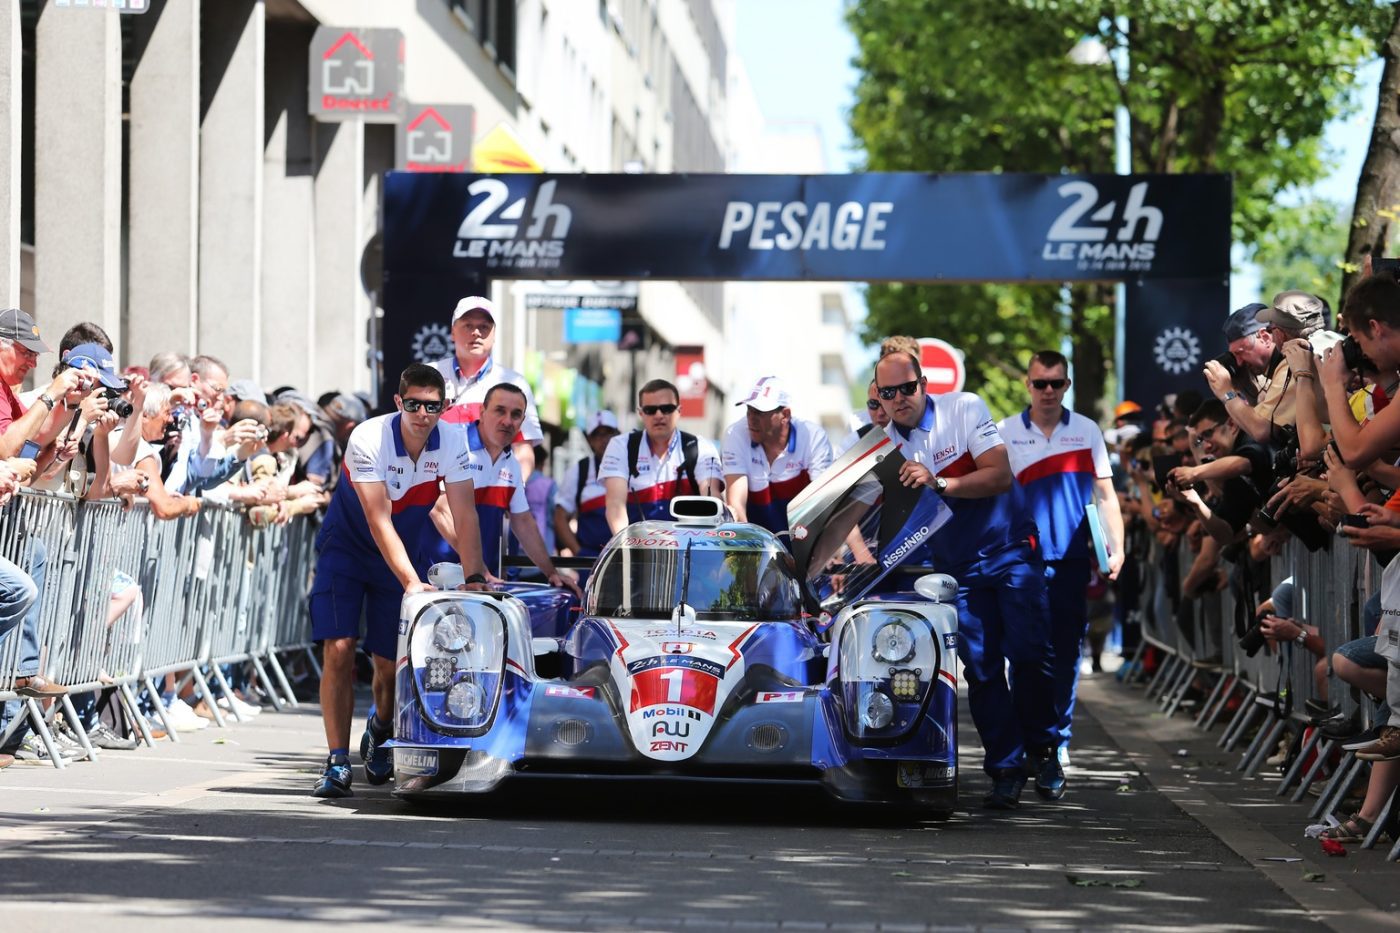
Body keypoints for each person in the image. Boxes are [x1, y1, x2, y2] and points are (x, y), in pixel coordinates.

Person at [873, 347, 1061, 808]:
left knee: (1031, 653)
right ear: (878, 395)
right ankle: (1006, 769)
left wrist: (939, 482)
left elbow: (998, 476)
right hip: (958, 569)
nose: (899, 399)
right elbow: (855, 512)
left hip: (1011, 548)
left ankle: (1044, 746)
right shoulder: (880, 446)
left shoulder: (964, 407)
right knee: (981, 669)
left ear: (924, 384)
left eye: (907, 388)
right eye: (888, 392)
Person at [308, 364, 490, 799]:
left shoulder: (453, 440)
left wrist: (477, 576)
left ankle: (381, 725)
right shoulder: (368, 437)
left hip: (401, 552)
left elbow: (464, 513)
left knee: (388, 667)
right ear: (398, 402)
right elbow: (377, 518)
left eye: (432, 405)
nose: (423, 413)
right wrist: (411, 581)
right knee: (338, 648)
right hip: (348, 549)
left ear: (444, 407)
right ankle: (336, 762)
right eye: (414, 404)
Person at [997, 350, 1124, 763]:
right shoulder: (1005, 432)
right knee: (1025, 654)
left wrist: (1117, 547)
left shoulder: (1087, 431)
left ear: (1066, 385)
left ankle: (1058, 740)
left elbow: (1106, 495)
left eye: (1056, 383)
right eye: (1040, 383)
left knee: (1067, 653)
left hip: (1071, 561)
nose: (1048, 391)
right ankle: (1028, 738)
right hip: (1021, 560)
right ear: (1028, 385)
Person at [423, 383, 580, 597]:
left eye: (516, 414)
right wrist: (476, 567)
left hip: (480, 583)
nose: (507, 421)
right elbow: (439, 510)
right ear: (482, 412)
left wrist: (551, 573)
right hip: (435, 580)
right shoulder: (454, 442)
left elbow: (523, 521)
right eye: (500, 410)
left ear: (522, 421)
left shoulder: (511, 462)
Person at [428, 295, 543, 477]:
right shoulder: (428, 376)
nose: (476, 332)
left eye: (484, 327)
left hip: (489, 497)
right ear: (452, 332)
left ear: (494, 334)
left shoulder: (515, 383)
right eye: (468, 325)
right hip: (434, 497)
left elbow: (523, 450)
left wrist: (511, 496)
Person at [601, 378, 723, 533]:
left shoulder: (702, 447)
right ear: (640, 413)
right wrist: (627, 549)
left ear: (679, 411)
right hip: (637, 548)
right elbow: (615, 506)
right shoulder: (620, 446)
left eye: (666, 409)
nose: (658, 415)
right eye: (650, 410)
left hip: (689, 545)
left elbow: (712, 498)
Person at [722, 376, 832, 533]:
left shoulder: (813, 436)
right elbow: (736, 504)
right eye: (749, 410)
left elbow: (823, 505)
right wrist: (750, 549)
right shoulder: (735, 434)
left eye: (759, 412)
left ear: (785, 415)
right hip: (756, 539)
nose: (751, 419)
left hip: (801, 537)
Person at [1204, 302, 1296, 444]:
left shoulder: (1290, 364)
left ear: (1265, 338)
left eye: (1240, 353)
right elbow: (1258, 420)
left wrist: (1226, 393)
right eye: (1235, 356)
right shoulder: (1277, 368)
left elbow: (1262, 430)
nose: (1239, 363)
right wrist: (1247, 387)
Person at [556, 411, 622, 558]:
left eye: (608, 433)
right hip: (591, 560)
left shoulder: (634, 466)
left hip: (629, 559)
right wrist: (579, 552)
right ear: (590, 440)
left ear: (619, 435)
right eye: (597, 435)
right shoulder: (579, 470)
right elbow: (560, 517)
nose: (604, 440)